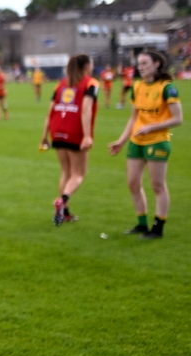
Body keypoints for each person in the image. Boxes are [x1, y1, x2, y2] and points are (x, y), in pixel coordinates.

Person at [109, 51, 182, 239]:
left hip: (158, 141)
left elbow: (178, 118)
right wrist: (121, 141)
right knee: (133, 184)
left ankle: (158, 228)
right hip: (136, 141)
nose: (140, 67)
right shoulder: (137, 86)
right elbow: (134, 118)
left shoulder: (167, 88)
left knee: (157, 185)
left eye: (144, 63)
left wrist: (152, 127)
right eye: (139, 64)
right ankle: (141, 224)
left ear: (156, 64)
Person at [40, 54, 99, 226]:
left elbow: (50, 111)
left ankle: (64, 212)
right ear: (86, 66)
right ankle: (62, 201)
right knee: (78, 174)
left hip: (57, 130)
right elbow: (86, 109)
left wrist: (44, 136)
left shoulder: (60, 85)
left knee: (66, 172)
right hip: (75, 131)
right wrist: (87, 135)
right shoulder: (90, 83)